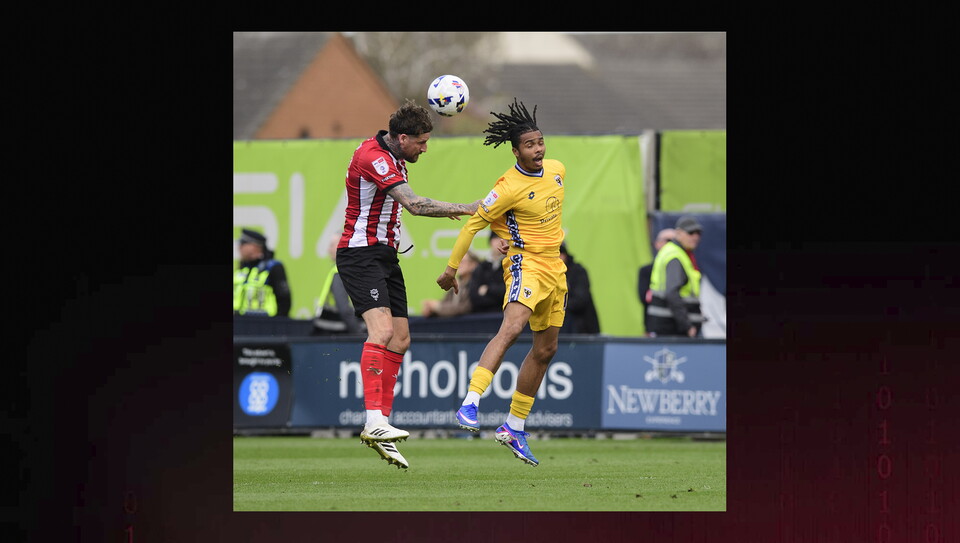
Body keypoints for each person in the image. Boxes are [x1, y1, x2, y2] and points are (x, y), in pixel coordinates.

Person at [335, 99, 479, 469]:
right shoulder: (374, 157)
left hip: (384, 254)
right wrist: (465, 207)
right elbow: (414, 204)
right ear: (402, 137)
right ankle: (373, 421)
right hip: (360, 253)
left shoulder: (395, 156)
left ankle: (380, 425)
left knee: (401, 339)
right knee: (380, 332)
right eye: (421, 142)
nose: (425, 148)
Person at [437, 98, 565, 467]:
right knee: (511, 328)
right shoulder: (507, 186)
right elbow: (473, 223)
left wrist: (501, 228)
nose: (538, 149)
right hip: (526, 265)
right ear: (515, 150)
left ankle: (513, 425)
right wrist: (451, 268)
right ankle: (470, 403)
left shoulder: (557, 170)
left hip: (556, 269)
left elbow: (507, 220)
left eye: (540, 142)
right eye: (530, 144)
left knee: (546, 350)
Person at [646, 217, 705, 338]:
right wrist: (687, 325)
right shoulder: (675, 256)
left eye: (698, 233)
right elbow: (672, 293)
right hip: (673, 328)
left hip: (670, 326)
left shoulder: (676, 253)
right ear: (678, 233)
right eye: (690, 233)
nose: (695, 237)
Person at [233, 228, 292, 317]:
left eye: (243, 244)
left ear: (254, 246)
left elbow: (284, 302)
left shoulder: (273, 267)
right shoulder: (242, 269)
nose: (239, 248)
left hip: (266, 325)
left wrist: (276, 327)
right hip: (241, 324)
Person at [637, 228, 676, 336]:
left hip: (678, 326)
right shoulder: (646, 271)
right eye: (668, 241)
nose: (671, 245)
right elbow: (644, 297)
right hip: (655, 325)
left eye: (675, 241)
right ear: (657, 244)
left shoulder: (683, 268)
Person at [421, 251, 481, 317]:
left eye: (462, 261)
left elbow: (464, 308)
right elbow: (445, 303)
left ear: (473, 264)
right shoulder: (456, 284)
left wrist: (437, 306)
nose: (459, 265)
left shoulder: (476, 285)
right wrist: (431, 309)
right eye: (457, 262)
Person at [558, 242, 600, 334]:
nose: (558, 257)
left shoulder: (578, 272)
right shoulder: (547, 274)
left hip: (580, 331)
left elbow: (580, 300)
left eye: (561, 253)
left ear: (565, 255)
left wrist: (556, 304)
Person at [467, 230, 509, 314]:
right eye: (495, 238)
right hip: (481, 317)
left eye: (503, 238)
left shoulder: (511, 265)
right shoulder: (481, 267)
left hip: (504, 315)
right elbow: (473, 296)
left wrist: (488, 290)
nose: (499, 242)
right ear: (490, 242)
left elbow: (508, 293)